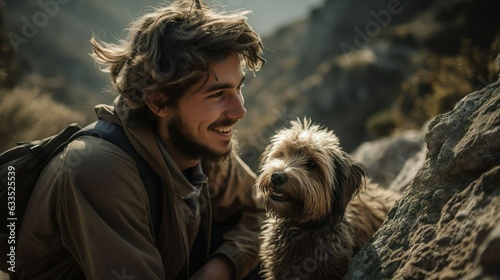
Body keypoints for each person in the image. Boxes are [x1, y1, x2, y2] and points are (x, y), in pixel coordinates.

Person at [15, 0, 266, 279]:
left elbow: (263, 210)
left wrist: (222, 266)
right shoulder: (99, 170)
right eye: (217, 94)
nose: (240, 111)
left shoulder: (199, 143)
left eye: (238, 88)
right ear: (158, 101)